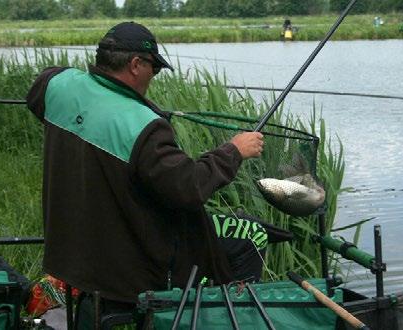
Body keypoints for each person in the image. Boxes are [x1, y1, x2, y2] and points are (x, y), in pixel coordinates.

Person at [26, 21, 268, 327]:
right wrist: (234, 150)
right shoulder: (145, 126)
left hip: (71, 254)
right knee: (248, 238)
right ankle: (233, 321)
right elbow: (188, 186)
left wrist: (109, 100)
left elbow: (41, 88)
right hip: (127, 270)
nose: (153, 77)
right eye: (154, 69)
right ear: (135, 64)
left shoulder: (58, 85)